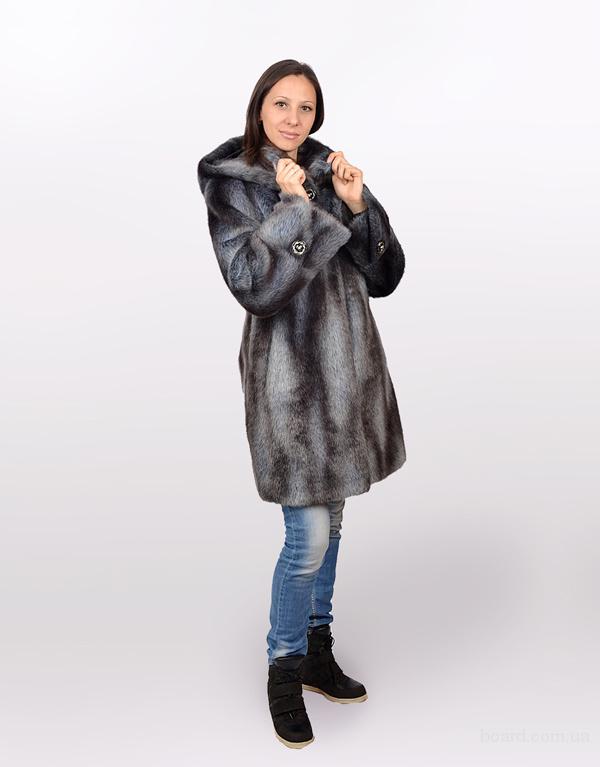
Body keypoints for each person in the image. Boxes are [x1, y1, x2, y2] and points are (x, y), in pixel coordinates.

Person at [197, 59, 407, 749]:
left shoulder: (326, 167)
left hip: (347, 377)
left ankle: (318, 649)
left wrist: (355, 204)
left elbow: (385, 275)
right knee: (307, 533)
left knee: (333, 523)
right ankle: (283, 669)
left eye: (306, 107)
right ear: (259, 107)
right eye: (281, 104)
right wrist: (292, 208)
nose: (293, 118)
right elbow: (252, 284)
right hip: (289, 384)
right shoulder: (232, 183)